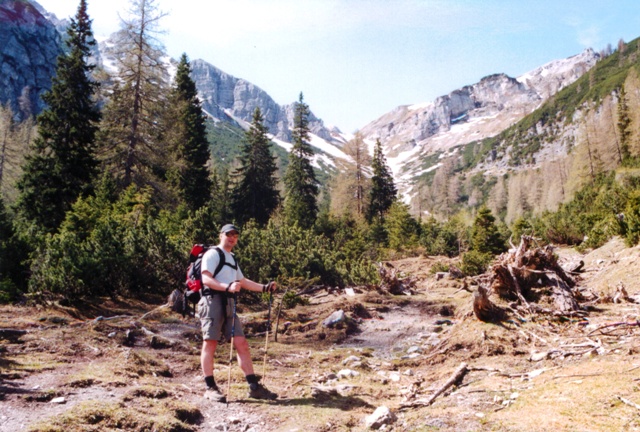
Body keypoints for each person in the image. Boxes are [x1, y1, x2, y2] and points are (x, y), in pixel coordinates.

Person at [198, 223, 278, 402]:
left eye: (235, 235)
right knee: (210, 343)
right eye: (229, 234)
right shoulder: (213, 254)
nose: (232, 237)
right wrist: (227, 287)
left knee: (242, 344)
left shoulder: (232, 257)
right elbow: (206, 279)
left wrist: (265, 288)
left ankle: (254, 387)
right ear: (221, 235)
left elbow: (242, 281)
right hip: (212, 301)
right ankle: (210, 387)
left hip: (228, 302)